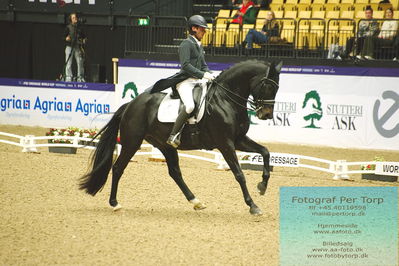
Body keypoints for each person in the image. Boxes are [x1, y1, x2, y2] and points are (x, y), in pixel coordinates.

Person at [164, 15, 217, 148]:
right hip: (185, 82)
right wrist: (202, 74)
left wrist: (210, 74)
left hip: (197, 81)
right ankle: (173, 135)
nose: (204, 32)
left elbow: (203, 65)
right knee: (190, 106)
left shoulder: (198, 45)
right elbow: (186, 66)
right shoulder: (186, 44)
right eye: (202, 29)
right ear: (194, 28)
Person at [64, 13, 86, 82]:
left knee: (80, 62)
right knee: (68, 63)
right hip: (69, 46)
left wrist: (84, 40)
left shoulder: (79, 28)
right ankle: (68, 77)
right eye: (73, 17)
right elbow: (63, 36)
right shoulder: (68, 27)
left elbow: (84, 37)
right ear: (71, 19)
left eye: (75, 17)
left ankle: (80, 77)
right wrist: (66, 38)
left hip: (77, 47)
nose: (75, 18)